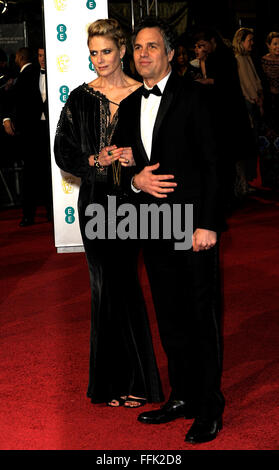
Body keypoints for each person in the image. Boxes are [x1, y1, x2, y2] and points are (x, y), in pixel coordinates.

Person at [113, 17, 225, 444]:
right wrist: (135, 179)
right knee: (170, 314)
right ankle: (182, 396)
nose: (143, 54)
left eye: (152, 47)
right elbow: (124, 168)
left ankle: (210, 404)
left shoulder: (197, 97)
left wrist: (208, 224)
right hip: (152, 223)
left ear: (171, 53)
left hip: (193, 225)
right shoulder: (126, 107)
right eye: (138, 47)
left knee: (202, 316)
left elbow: (214, 165)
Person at [54, 19, 163, 408]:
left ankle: (136, 381)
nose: (99, 59)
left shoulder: (144, 95)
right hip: (97, 204)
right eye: (93, 53)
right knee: (104, 287)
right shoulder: (82, 98)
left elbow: (165, 147)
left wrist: (138, 158)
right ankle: (109, 383)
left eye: (106, 51)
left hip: (135, 202)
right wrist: (92, 159)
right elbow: (62, 151)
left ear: (122, 51)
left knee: (127, 284)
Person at [192, 29, 257, 205]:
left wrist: (207, 79)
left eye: (203, 45)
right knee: (226, 158)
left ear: (212, 41)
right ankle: (231, 193)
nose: (201, 49)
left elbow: (223, 83)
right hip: (222, 115)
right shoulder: (213, 57)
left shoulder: (224, 56)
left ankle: (233, 193)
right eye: (198, 46)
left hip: (229, 115)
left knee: (230, 157)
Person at [2, 46, 51, 226]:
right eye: (39, 56)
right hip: (32, 132)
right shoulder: (29, 75)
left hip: (51, 131)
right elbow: (11, 99)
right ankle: (28, 214)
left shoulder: (57, 76)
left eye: (45, 55)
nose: (42, 59)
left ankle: (51, 212)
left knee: (49, 172)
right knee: (31, 174)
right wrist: (7, 118)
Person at [232, 27, 264, 189]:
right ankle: (247, 181)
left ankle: (251, 179)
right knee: (250, 143)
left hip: (254, 102)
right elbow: (246, 84)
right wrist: (255, 99)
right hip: (249, 104)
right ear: (241, 41)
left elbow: (256, 81)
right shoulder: (238, 59)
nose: (252, 43)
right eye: (249, 40)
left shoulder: (247, 58)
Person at [260, 32, 279, 188]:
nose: (277, 47)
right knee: (267, 141)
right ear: (268, 45)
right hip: (267, 103)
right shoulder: (263, 61)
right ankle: (268, 178)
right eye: (274, 44)